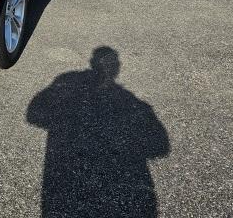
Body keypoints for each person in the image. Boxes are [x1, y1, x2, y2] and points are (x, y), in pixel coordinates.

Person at [27, 46, 170, 217]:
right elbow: (161, 147)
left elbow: (34, 115)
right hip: (130, 183)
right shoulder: (135, 102)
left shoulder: (67, 80)